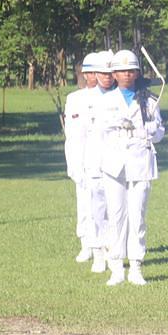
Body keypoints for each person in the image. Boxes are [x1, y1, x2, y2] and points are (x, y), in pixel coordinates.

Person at [93, 49, 164, 286]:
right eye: (121, 71)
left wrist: (153, 132)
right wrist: (118, 123)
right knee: (116, 215)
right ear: (113, 74)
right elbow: (99, 129)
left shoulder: (149, 99)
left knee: (138, 216)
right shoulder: (105, 101)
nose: (126, 75)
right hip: (114, 163)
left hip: (140, 161)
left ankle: (136, 265)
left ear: (136, 73)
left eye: (130, 70)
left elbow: (160, 131)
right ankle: (116, 267)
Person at [63, 51, 112, 273]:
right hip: (85, 157)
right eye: (91, 72)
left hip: (108, 159)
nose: (95, 76)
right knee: (87, 207)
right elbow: (74, 136)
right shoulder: (76, 99)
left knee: (108, 209)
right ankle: (88, 244)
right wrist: (74, 164)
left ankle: (109, 247)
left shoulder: (113, 96)